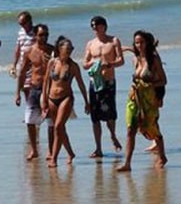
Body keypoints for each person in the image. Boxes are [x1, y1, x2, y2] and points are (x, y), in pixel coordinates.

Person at [116, 30, 168, 171]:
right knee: (130, 128)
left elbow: (163, 80)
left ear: (147, 43)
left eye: (142, 42)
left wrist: (152, 87)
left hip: (149, 99)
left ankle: (162, 156)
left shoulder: (154, 59)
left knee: (151, 128)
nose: (139, 45)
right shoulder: (135, 59)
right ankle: (127, 163)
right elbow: (128, 51)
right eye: (137, 42)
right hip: (134, 98)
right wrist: (124, 48)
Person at [42, 36, 90, 167]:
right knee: (60, 129)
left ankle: (54, 159)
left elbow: (81, 84)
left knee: (58, 126)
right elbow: (46, 82)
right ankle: (70, 152)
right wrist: (44, 100)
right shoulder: (52, 63)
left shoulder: (73, 66)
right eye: (66, 48)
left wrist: (87, 102)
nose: (69, 51)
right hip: (52, 98)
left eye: (71, 49)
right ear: (59, 49)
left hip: (66, 98)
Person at [82, 15, 125, 158]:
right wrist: (94, 64)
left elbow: (121, 60)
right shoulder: (90, 44)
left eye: (96, 25)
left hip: (108, 82)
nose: (94, 28)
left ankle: (113, 135)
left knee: (110, 115)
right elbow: (84, 63)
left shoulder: (113, 41)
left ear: (103, 26)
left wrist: (109, 64)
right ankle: (98, 148)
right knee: (95, 116)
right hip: (95, 82)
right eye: (92, 26)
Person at [14, 23, 54, 161]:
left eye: (46, 34)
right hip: (34, 88)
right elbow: (23, 72)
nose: (45, 37)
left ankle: (50, 151)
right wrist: (17, 93)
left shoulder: (52, 51)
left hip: (49, 90)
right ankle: (34, 149)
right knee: (30, 120)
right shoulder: (30, 51)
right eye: (42, 34)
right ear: (36, 36)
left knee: (51, 122)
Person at [10, 11, 36, 79]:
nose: (22, 25)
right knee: (23, 87)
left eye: (23, 23)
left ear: (29, 21)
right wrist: (14, 65)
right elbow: (18, 49)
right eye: (20, 24)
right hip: (22, 64)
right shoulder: (21, 32)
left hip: (33, 66)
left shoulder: (36, 32)